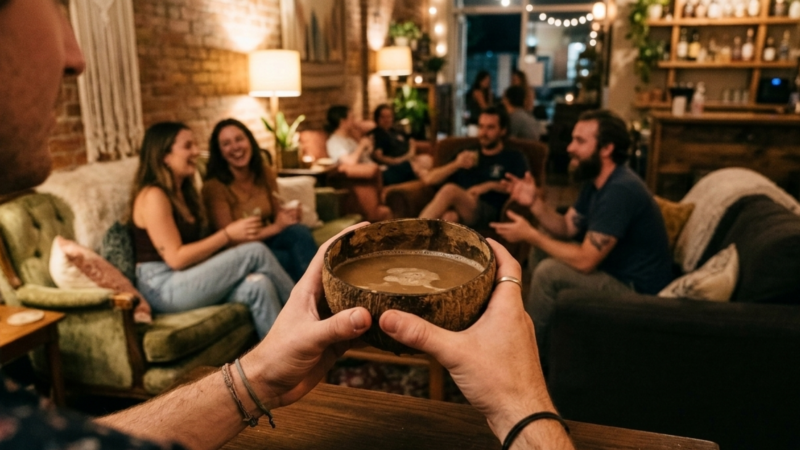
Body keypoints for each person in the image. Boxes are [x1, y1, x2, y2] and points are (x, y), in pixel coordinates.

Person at [0, 2, 573, 449]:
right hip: (169, 281)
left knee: (261, 273)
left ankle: (297, 317)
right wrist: (523, 409)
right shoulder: (158, 193)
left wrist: (257, 378)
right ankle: (317, 294)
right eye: (55, 2)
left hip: (242, 323)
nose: (76, 55)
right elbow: (178, 257)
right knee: (259, 258)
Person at [490, 109, 673, 349]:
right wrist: (534, 203)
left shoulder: (620, 190)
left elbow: (586, 260)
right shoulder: (596, 181)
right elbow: (566, 227)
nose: (570, 148)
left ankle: (527, 353)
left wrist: (530, 234)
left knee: (548, 272)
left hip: (636, 289)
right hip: (613, 270)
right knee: (542, 250)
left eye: (580, 141)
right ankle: (553, 333)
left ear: (606, 149)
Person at [131, 121, 294, 339]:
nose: (196, 152)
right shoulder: (153, 196)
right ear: (165, 156)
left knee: (260, 286)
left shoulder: (184, 192)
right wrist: (228, 235)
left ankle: (283, 366)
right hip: (163, 287)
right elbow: (176, 258)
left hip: (186, 276)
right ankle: (308, 315)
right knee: (254, 251)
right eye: (187, 146)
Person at [203, 118, 316, 282]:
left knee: (299, 231)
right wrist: (277, 227)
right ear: (219, 152)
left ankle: (321, 296)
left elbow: (277, 214)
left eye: (239, 139)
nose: (235, 147)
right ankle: (310, 300)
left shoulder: (264, 172)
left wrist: (289, 216)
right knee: (285, 258)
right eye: (226, 143)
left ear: (250, 141)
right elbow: (230, 241)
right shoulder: (214, 187)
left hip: (268, 238)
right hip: (241, 250)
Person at [419, 106, 529, 229]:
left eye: (490, 128)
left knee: (450, 190)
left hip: (487, 209)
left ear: (502, 130)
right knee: (450, 217)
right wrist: (456, 164)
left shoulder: (513, 156)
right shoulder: (466, 153)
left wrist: (489, 186)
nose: (483, 133)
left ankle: (413, 233)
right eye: (481, 127)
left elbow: (523, 187)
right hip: (460, 206)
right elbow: (428, 179)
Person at [325, 105, 392, 222]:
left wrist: (368, 146)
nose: (354, 121)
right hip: (369, 175)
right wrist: (361, 145)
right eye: (352, 118)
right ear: (343, 121)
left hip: (377, 171)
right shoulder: (334, 142)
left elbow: (366, 157)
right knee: (408, 168)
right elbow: (350, 162)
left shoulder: (349, 139)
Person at [369, 104, 433, 186]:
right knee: (420, 168)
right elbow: (378, 156)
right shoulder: (377, 134)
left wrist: (411, 153)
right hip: (398, 164)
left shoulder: (395, 131)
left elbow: (411, 140)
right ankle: (429, 185)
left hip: (409, 158)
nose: (387, 120)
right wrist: (398, 160)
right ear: (377, 119)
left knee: (428, 160)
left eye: (389, 117)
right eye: (383, 117)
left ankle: (427, 185)